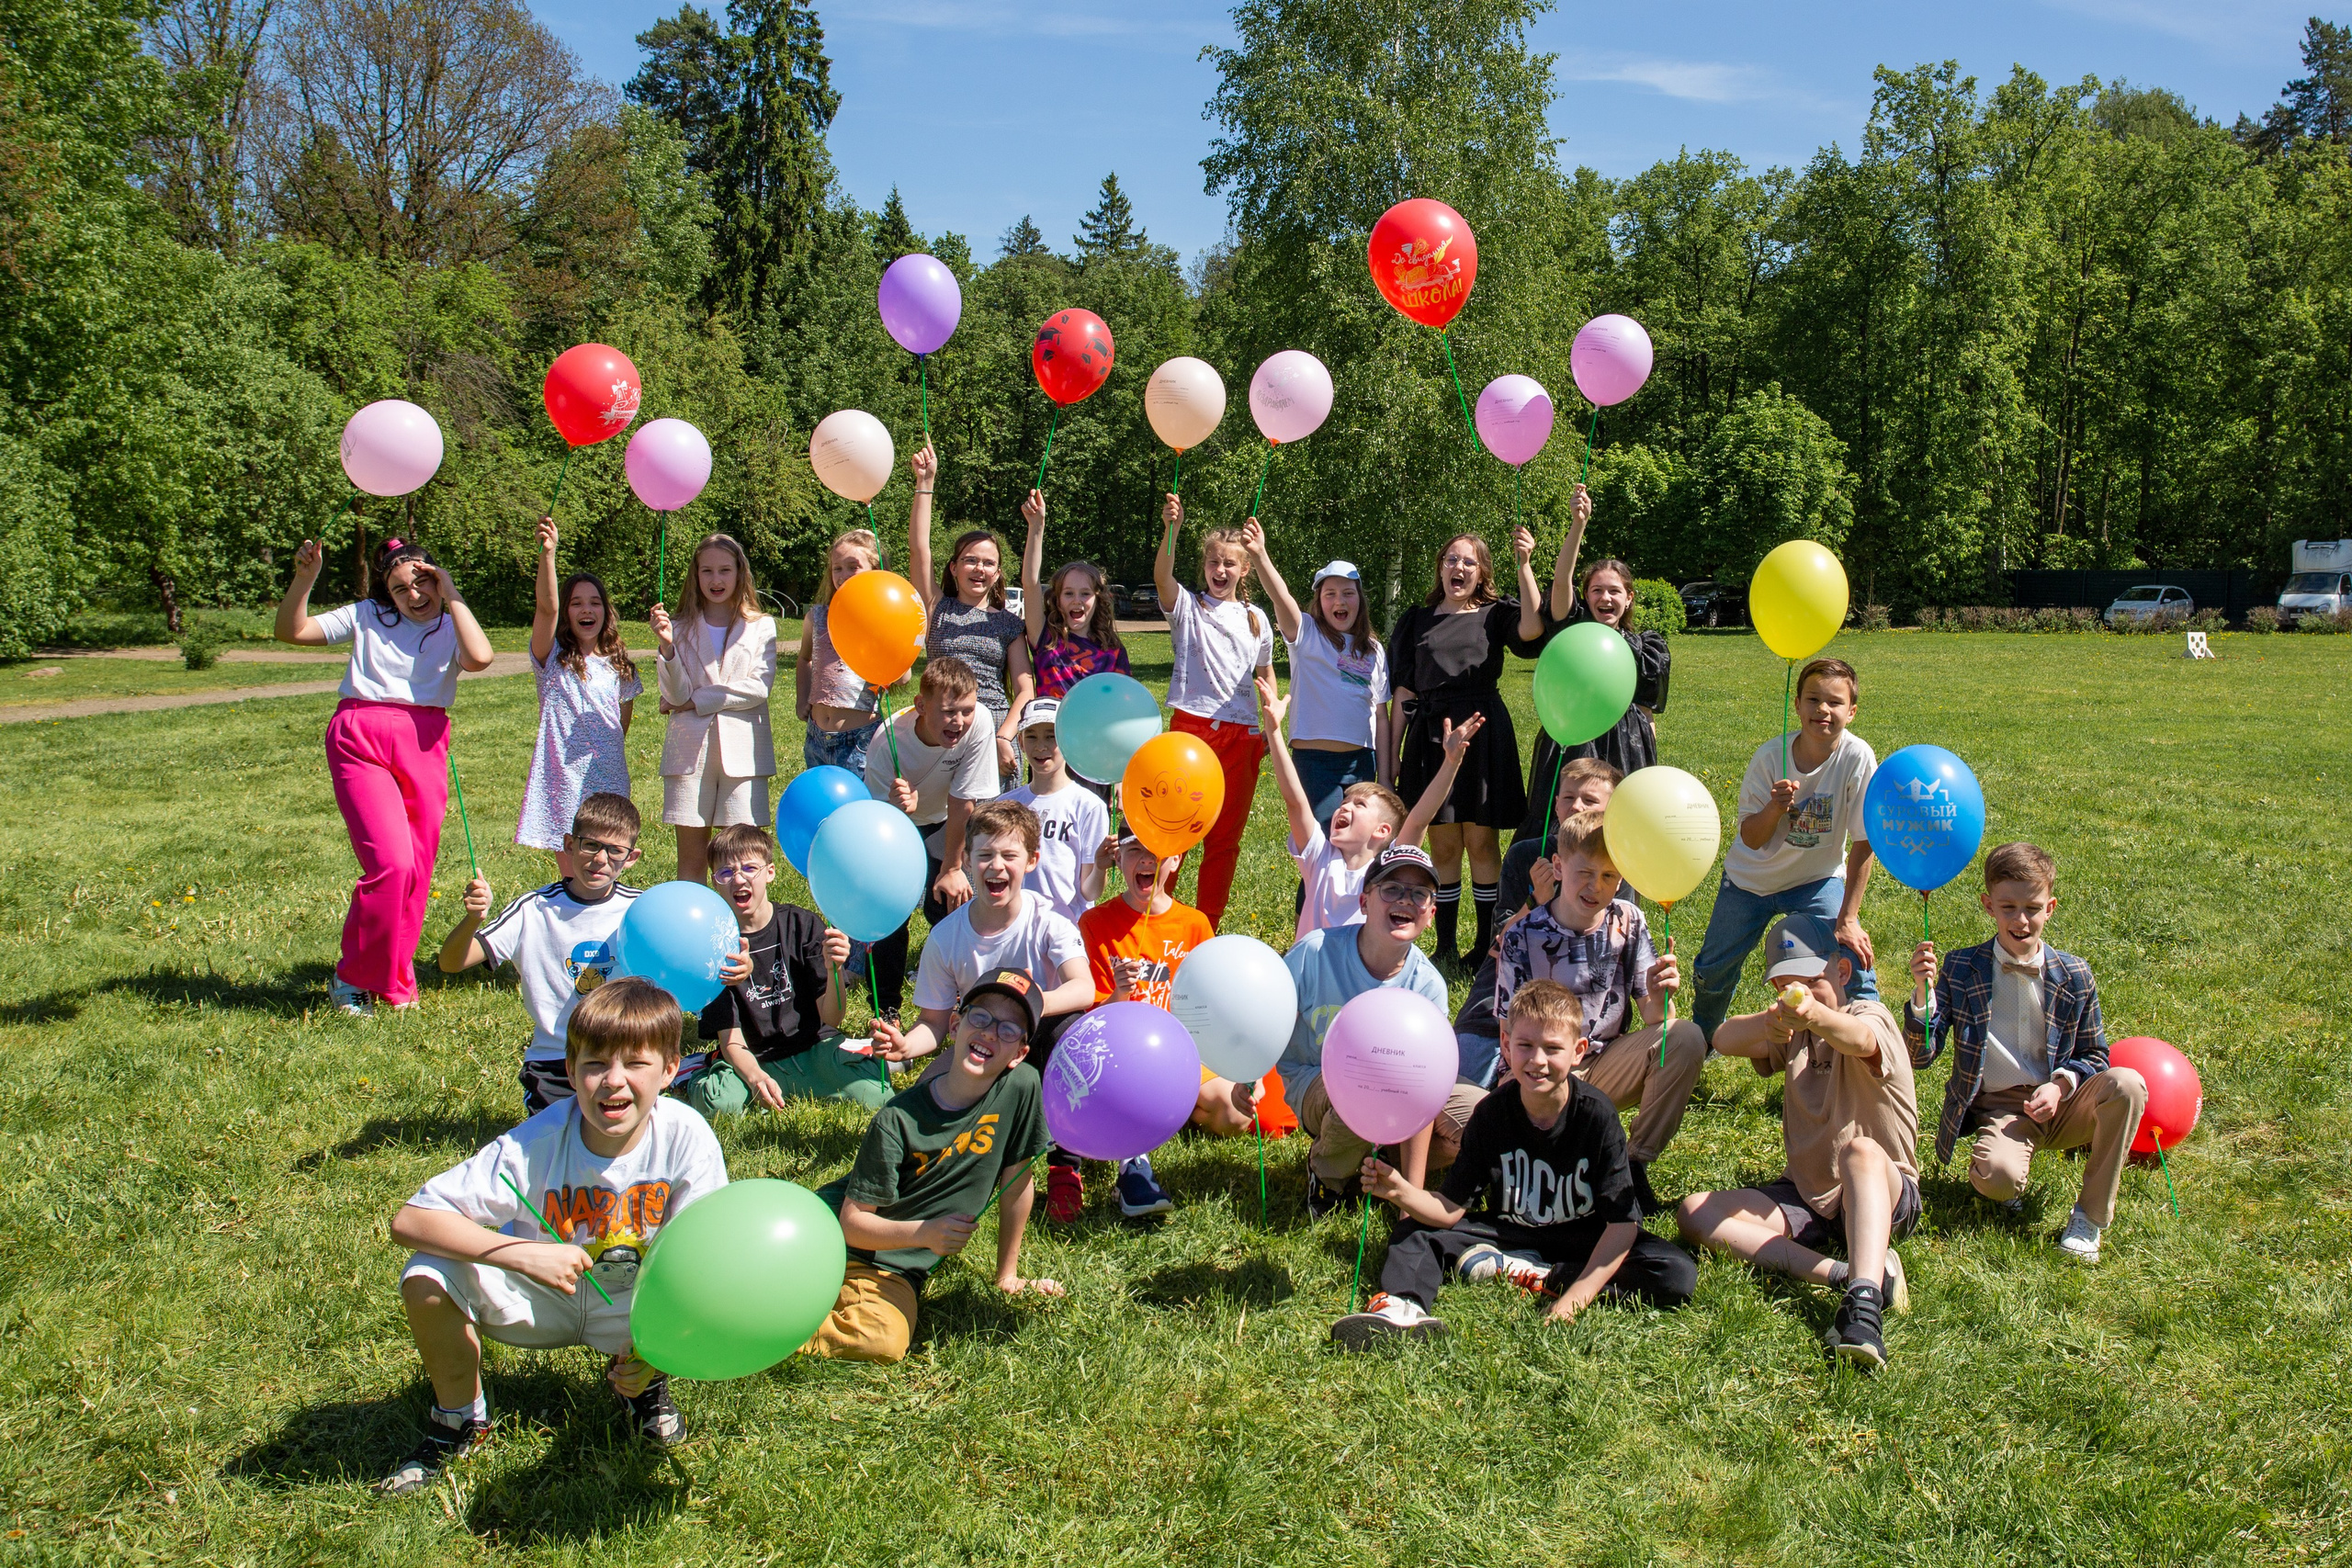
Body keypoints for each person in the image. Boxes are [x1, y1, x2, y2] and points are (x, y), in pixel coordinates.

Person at [375, 978, 728, 1495]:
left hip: (634, 1304)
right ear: (569, 1069)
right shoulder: (539, 1139)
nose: (613, 1081)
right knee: (428, 1272)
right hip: (540, 1296)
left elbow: (707, 1252)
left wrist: (660, 1348)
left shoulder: (685, 1134)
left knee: (705, 1279)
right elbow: (411, 1219)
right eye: (594, 1065)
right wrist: (521, 1254)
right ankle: (459, 1418)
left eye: (635, 1064)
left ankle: (643, 1386)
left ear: (671, 1069)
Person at [1329, 980, 1697, 1348]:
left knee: (1674, 1272)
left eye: (1553, 1049)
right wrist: (1403, 1192)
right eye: (1525, 1046)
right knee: (1416, 1232)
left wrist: (1575, 1297)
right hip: (1508, 1233)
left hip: (1583, 1238)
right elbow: (1450, 1209)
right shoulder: (1490, 1114)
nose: (1537, 1060)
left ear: (1579, 1051)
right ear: (1506, 1044)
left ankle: (1549, 1276)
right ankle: (1402, 1305)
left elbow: (1621, 1226)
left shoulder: (1597, 1116)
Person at [1675, 914, 1917, 1371]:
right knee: (1695, 1212)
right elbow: (1724, 1039)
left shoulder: (1869, 1015)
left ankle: (1863, 1311)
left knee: (1860, 1151)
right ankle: (1847, 1274)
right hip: (1809, 1195)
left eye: (1811, 980)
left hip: (1883, 1193)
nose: (1800, 994)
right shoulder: (1792, 1033)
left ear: (1842, 972)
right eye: (1787, 986)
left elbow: (1861, 1040)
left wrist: (1816, 1015)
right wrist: (1772, 1024)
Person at [276, 534, 495, 1015]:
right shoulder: (367, 616)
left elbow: (480, 658)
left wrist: (453, 594)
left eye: (423, 583)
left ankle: (395, 978)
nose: (414, 595)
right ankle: (351, 976)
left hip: (424, 741)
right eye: (400, 589)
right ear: (386, 594)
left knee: (416, 872)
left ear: (438, 579)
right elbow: (292, 631)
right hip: (362, 734)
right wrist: (304, 579)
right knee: (391, 864)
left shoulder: (450, 623)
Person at [806, 969, 1062, 1364]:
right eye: (981, 1018)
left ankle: (800, 1307)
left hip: (893, 1269)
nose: (991, 1033)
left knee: (883, 1341)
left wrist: (1006, 1275)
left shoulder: (1021, 1087)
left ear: (1020, 1054)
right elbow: (851, 1223)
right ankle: (783, 1320)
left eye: (1010, 1030)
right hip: (832, 1237)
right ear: (956, 1025)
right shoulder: (897, 1119)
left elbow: (1017, 1181)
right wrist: (927, 1233)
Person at [1907, 841, 2145, 1264]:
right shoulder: (1962, 968)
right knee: (1997, 1179)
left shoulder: (2075, 974)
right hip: (2001, 1108)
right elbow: (1920, 1056)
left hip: (2063, 1103)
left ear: (2050, 907)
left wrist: (2060, 1085)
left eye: (2032, 908)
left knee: (2127, 1085)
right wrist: (1923, 1000)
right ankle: (2006, 1181)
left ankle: (2089, 1217)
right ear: (1987, 905)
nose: (2021, 920)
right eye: (2008, 907)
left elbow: (2095, 1054)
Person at [1386, 503, 1586, 969]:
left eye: (1469, 562)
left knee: (1480, 841)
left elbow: (1533, 629)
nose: (1459, 568)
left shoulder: (1495, 613)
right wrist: (1392, 754)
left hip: (1480, 731)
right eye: (1451, 560)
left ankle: (1484, 942)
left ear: (1481, 573)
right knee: (1441, 843)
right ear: (1440, 567)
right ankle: (1445, 943)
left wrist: (1524, 565)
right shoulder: (1416, 619)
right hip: (1430, 734)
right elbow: (1403, 689)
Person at [1482, 809, 1708, 1212]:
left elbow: (1658, 1021)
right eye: (1584, 872)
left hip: (1601, 1063)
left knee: (1685, 1037)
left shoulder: (1629, 920)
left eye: (1608, 876)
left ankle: (1633, 1162)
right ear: (1557, 865)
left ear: (1622, 878)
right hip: (1537, 1067)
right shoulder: (1523, 934)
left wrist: (1661, 992)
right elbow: (1508, 1032)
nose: (1595, 886)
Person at [1271, 845, 1483, 1217]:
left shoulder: (1428, 985)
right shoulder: (1315, 953)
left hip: (1398, 1084)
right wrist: (1249, 1076)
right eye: (1392, 889)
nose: (1406, 900)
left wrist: (1411, 1205)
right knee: (1368, 1078)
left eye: (1419, 894)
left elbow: (1426, 1080)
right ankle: (1329, 1175)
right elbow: (1268, 1016)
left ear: (1432, 914)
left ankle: (1387, 1169)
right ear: (1365, 901)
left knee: (1483, 1116)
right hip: (1318, 1080)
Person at [1079, 833, 1298, 1184]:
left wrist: (1239, 1066)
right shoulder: (1095, 925)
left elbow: (1216, 1004)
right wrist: (1120, 992)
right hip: (1127, 1054)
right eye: (1135, 851)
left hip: (1188, 1050)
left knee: (1236, 1115)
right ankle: (1158, 1111)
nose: (1147, 860)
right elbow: (1092, 1021)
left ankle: (1168, 1109)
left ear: (1176, 861)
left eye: (1157, 853)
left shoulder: (1194, 924)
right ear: (1119, 860)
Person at [1689, 657, 1881, 1041]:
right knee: (1713, 968)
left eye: (1835, 702)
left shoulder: (1857, 757)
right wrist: (1775, 808)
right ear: (1796, 705)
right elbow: (1751, 838)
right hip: (1749, 882)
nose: (1823, 710)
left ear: (1853, 711)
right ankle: (1701, 1042)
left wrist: (1849, 917)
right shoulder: (1768, 757)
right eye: (1812, 699)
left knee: (1853, 959)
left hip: (1816, 880)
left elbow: (1864, 841)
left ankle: (1871, 1040)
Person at [439, 793, 649, 1111]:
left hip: (625, 1057)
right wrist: (472, 920)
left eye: (615, 851)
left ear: (631, 858)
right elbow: (452, 963)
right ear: (569, 844)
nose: (600, 859)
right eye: (590, 845)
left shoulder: (643, 909)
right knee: (557, 1143)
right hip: (556, 1059)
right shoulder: (534, 910)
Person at [679, 824, 887, 1116]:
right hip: (752, 1056)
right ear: (715, 882)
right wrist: (756, 1078)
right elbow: (733, 1040)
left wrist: (835, 971)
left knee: (876, 1092)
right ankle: (696, 1073)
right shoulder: (713, 947)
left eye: (750, 868)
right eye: (726, 873)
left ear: (771, 872)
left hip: (812, 1046)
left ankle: (844, 1058)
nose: (738, 879)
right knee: (719, 1105)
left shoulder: (802, 925)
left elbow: (832, 1017)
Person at [1255, 671, 1476, 941]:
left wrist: (1451, 763)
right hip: (1312, 977)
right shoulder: (1319, 858)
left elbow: (1419, 819)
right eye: (1345, 802)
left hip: (1361, 981)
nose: (1344, 807)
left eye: (1359, 805)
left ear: (1382, 831)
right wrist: (1275, 731)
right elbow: (1295, 800)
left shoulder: (1388, 870)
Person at [1453, 759, 1623, 1085]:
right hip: (1493, 1016)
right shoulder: (1525, 855)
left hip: (1573, 1025)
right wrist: (1535, 902)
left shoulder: (1617, 865)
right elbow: (1497, 947)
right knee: (1452, 1097)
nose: (1576, 806)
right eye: (1568, 797)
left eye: (1589, 800)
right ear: (1555, 803)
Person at [1154, 493, 1274, 925]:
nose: (1220, 571)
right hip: (1192, 729)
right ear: (1204, 566)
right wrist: (1173, 528)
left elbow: (1265, 676)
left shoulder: (1257, 618)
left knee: (1224, 841)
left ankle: (1206, 925)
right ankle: (1155, 915)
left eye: (1229, 564)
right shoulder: (1189, 607)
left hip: (1242, 738)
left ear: (1244, 569)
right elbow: (1162, 576)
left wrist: (1271, 723)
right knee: (1174, 834)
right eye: (1212, 562)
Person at [864, 656, 998, 1016]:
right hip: (895, 826)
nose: (960, 722)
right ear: (920, 706)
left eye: (966, 710)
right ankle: (885, 1007)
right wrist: (896, 809)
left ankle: (962, 999)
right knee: (891, 914)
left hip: (947, 819)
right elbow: (874, 823)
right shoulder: (885, 743)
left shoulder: (979, 723)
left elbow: (963, 801)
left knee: (951, 905)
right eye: (949, 711)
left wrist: (952, 868)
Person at [1518, 553, 1670, 845]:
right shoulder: (1572, 637)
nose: (1606, 597)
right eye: (1597, 590)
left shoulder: (1647, 649)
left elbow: (1646, 712)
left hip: (1625, 744)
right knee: (1568, 825)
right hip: (1574, 739)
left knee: (1624, 829)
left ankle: (1624, 892)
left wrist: (1648, 768)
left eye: (1614, 590)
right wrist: (1579, 524)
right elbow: (1561, 582)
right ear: (1586, 596)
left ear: (1628, 598)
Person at [650, 533, 776, 886]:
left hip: (744, 757)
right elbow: (675, 695)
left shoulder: (761, 626)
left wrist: (697, 700)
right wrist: (667, 649)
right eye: (707, 571)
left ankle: (739, 936)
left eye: (724, 570)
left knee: (739, 864)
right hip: (690, 755)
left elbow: (758, 688)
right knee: (691, 864)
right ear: (696, 574)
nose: (716, 580)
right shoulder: (677, 627)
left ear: (740, 573)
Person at [1245, 538, 1390, 829]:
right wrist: (1260, 556)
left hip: (1362, 763)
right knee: (1324, 846)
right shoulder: (1306, 633)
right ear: (1319, 601)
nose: (1339, 601)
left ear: (1360, 601)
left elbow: (1380, 716)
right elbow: (1280, 595)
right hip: (1314, 765)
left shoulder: (1373, 649)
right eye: (1330, 594)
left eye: (1348, 593)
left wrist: (1385, 776)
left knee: (1356, 847)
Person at [908, 446, 1033, 784]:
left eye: (988, 562)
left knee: (992, 831)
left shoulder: (1009, 623)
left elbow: (1025, 689)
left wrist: (1004, 736)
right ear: (954, 567)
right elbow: (920, 547)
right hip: (940, 730)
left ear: (997, 572)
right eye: (970, 560)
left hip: (992, 735)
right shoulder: (936, 607)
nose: (979, 568)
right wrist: (926, 482)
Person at [518, 517, 639, 861]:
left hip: (610, 778)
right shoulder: (551, 658)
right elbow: (546, 607)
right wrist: (548, 555)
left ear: (606, 611)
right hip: (563, 779)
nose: (586, 609)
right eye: (576, 603)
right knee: (574, 869)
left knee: (609, 860)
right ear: (567, 614)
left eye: (595, 602)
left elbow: (621, 727)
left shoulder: (621, 667)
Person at [999, 698, 1112, 929]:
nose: (1041, 746)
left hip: (1066, 927)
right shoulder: (1006, 804)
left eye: (1051, 736)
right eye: (1031, 736)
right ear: (1020, 741)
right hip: (1015, 926)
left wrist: (1100, 867)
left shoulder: (1088, 806)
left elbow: (1089, 892)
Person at [1020, 491, 1131, 699]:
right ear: (1057, 599)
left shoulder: (1113, 650)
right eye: (1068, 593)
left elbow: (1125, 703)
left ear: (1098, 599)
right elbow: (1030, 583)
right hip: (1050, 730)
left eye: (1085, 594)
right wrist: (1036, 527)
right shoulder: (1045, 639)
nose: (1077, 600)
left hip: (1096, 731)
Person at [796, 525, 886, 774]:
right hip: (816, 737)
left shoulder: (883, 618)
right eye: (837, 568)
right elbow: (804, 659)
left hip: (859, 741)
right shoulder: (817, 616)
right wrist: (801, 698)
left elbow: (903, 676)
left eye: (853, 566)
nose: (843, 574)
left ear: (874, 570)